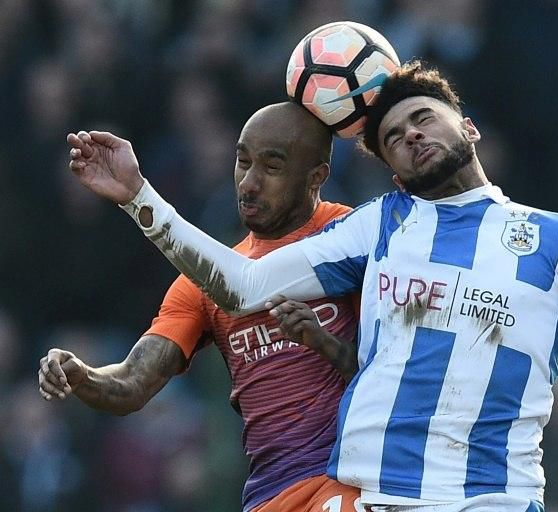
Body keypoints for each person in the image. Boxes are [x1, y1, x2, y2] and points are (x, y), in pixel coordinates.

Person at [63, 61, 558, 512]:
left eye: (424, 119)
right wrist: (138, 195)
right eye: (393, 136)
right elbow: (241, 287)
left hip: (497, 500)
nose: (411, 134)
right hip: (379, 499)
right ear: (392, 170)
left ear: (467, 128)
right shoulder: (379, 226)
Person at [39, 102, 363, 512]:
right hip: (273, 494)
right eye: (242, 162)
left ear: (316, 176)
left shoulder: (354, 239)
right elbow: (132, 384)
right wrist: (82, 376)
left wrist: (323, 342)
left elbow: (395, 371)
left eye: (272, 167)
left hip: (353, 481)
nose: (249, 182)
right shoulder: (205, 279)